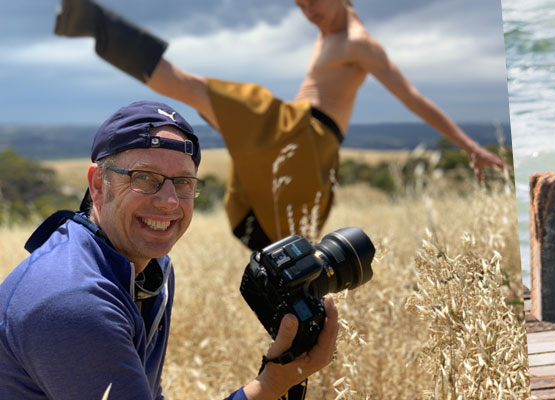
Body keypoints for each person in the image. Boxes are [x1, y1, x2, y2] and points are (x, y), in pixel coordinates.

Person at [53, 0, 507, 250]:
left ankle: (92, 21)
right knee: (196, 92)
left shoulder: (358, 42)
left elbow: (412, 97)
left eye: (313, 1)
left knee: (194, 88)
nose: (307, 9)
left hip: (304, 134)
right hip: (302, 138)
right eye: (300, 3)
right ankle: (94, 23)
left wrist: (468, 146)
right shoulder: (330, 34)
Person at [0, 101, 339, 400]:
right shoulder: (73, 300)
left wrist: (277, 379)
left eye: (183, 183)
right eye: (145, 178)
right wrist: (271, 384)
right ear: (99, 185)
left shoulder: (152, 271)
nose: (168, 202)